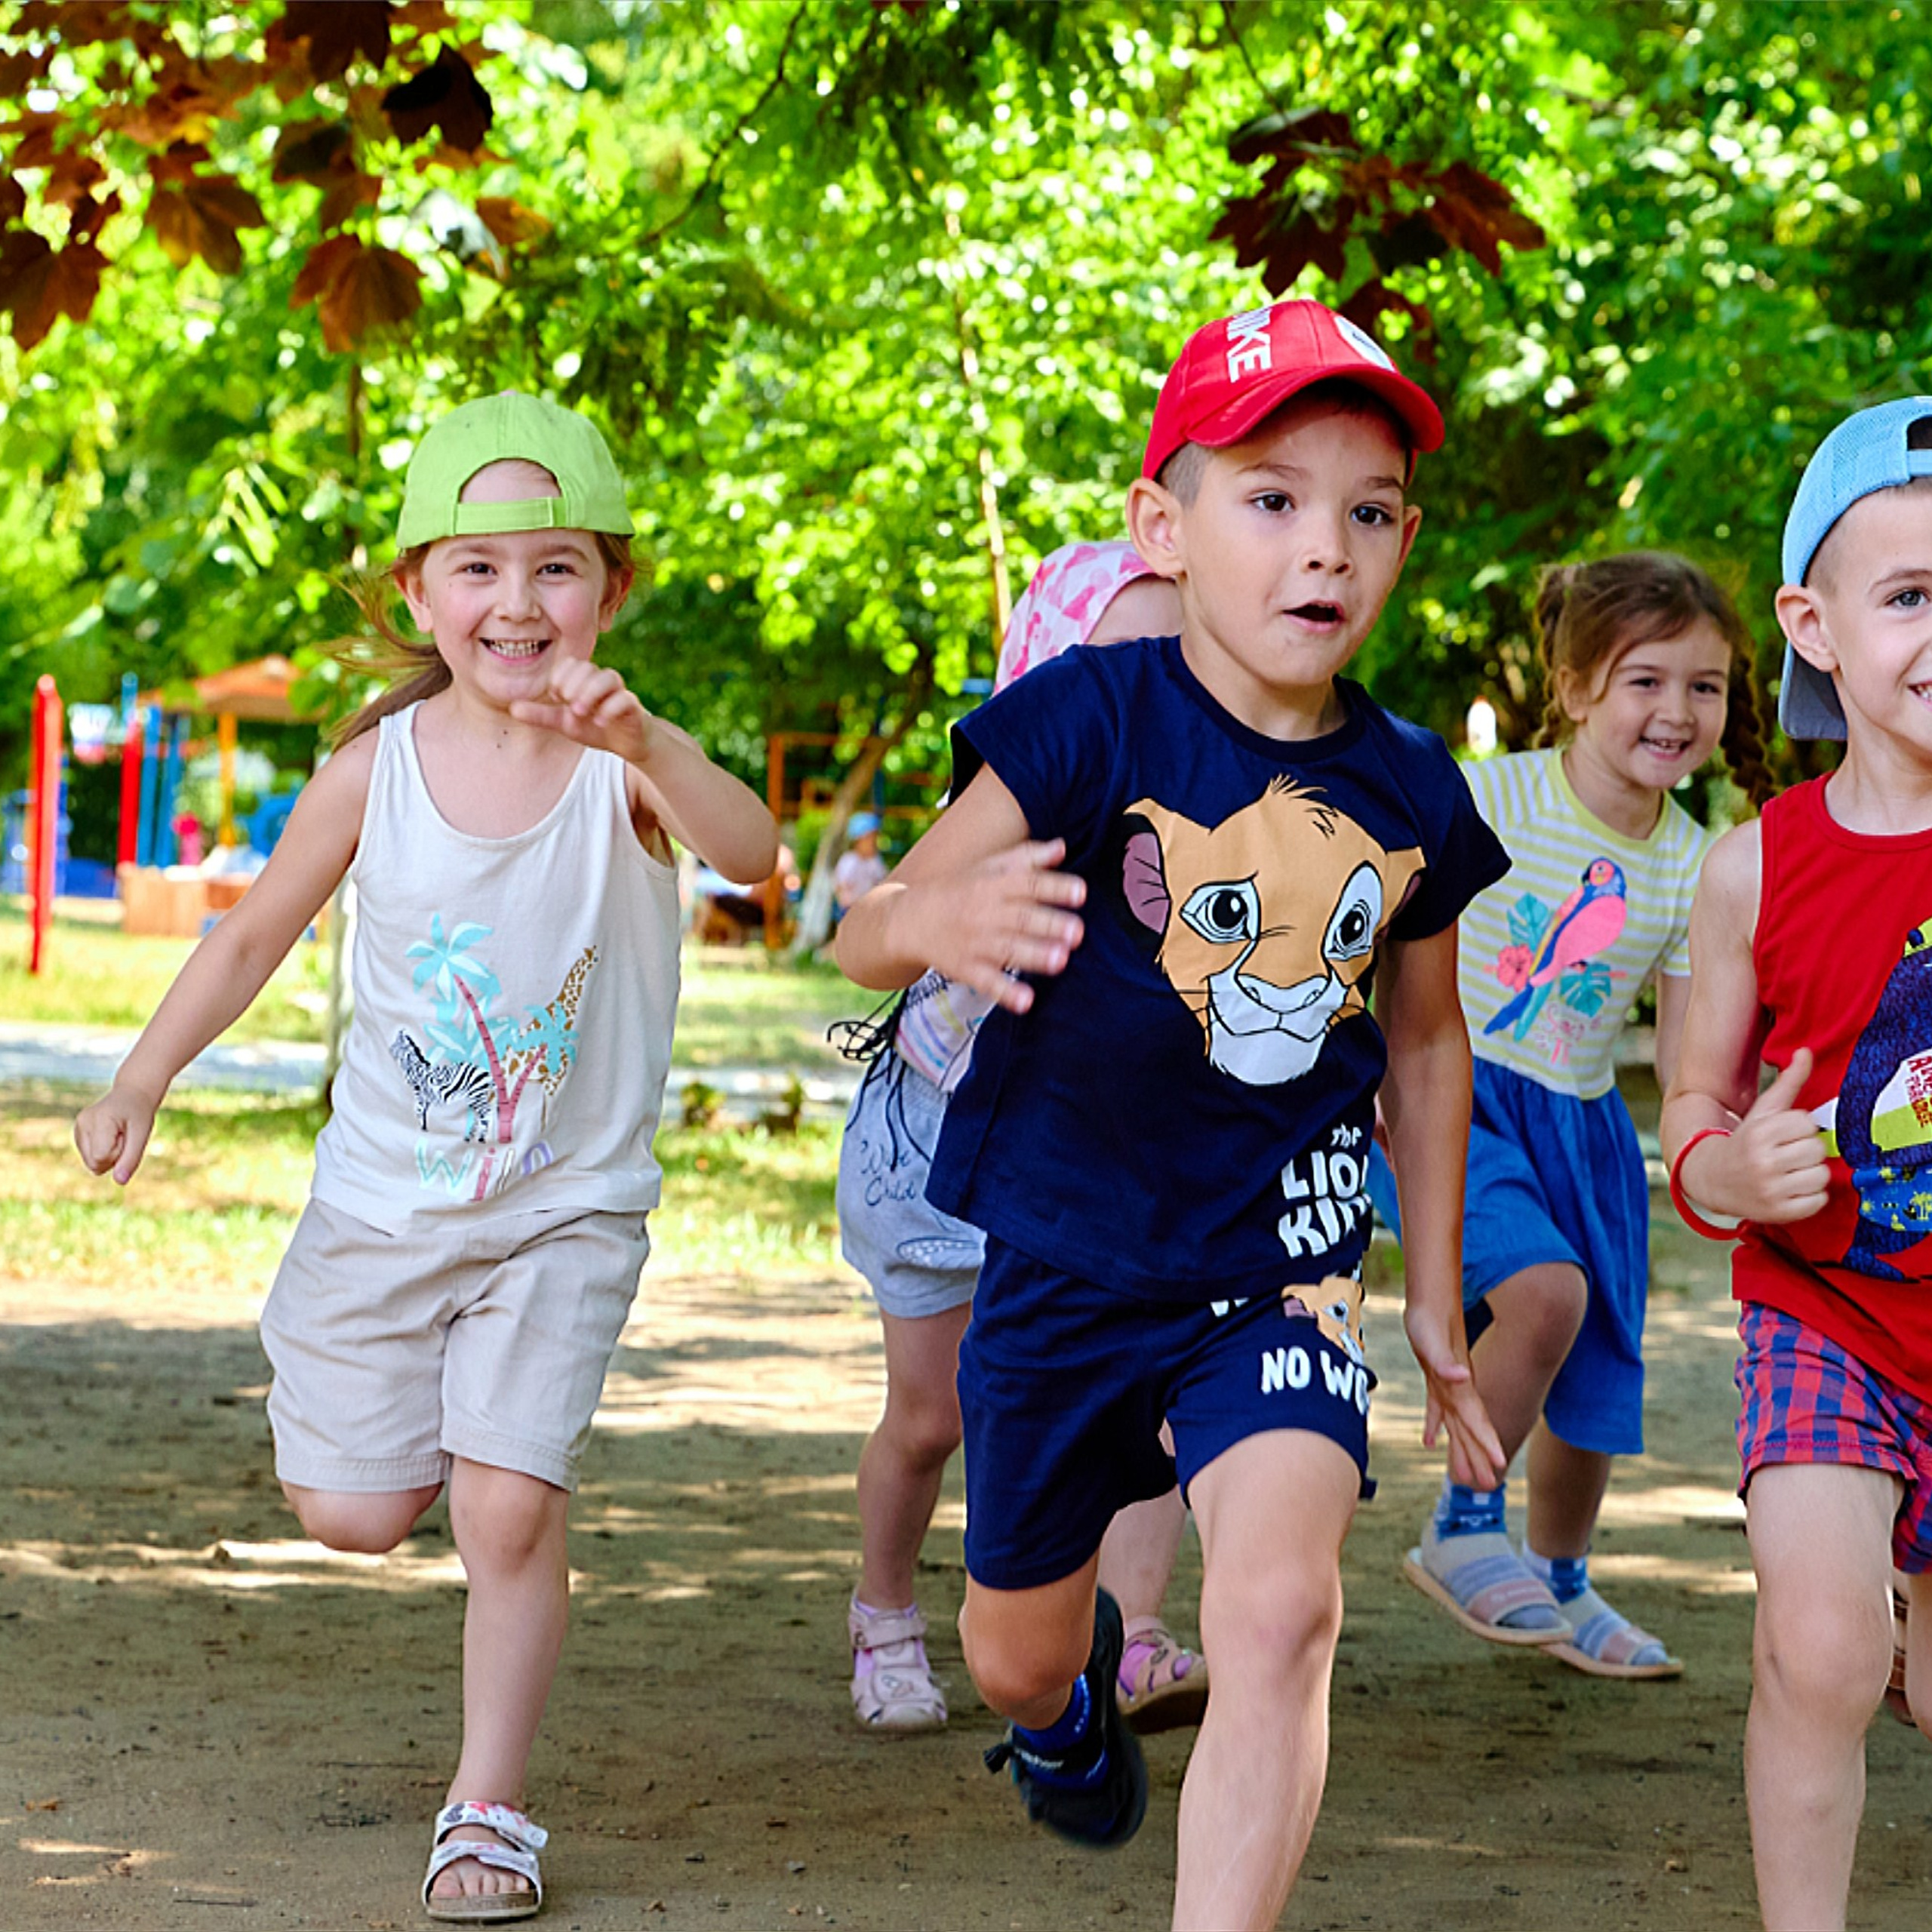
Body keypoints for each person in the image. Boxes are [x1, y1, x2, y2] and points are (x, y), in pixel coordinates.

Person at [837, 298, 1509, 1931]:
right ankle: (1057, 1720)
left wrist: (1427, 1295)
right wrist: (933, 921)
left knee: (1280, 1607)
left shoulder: (1410, 782)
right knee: (1013, 1647)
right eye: (1270, 498)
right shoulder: (1084, 716)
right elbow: (871, 922)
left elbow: (1424, 1047)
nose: (1319, 549)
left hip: (1275, 1263)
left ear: (1402, 543)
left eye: (1363, 512)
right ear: (1166, 523)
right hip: (1061, 1261)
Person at [73, 392, 777, 1924]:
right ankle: (434, 1431)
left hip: (563, 1212)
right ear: (417, 591)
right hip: (381, 1207)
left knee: (506, 1504)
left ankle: (488, 1807)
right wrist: (144, 1071)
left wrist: (646, 732)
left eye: (555, 568)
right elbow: (254, 927)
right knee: (350, 1509)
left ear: (610, 587)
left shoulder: (624, 763)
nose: (516, 602)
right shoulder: (371, 770)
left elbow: (755, 851)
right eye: (477, 568)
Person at [1377, 552, 1773, 1676]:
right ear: (1577, 683)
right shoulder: (1489, 794)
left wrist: (1738, 1134)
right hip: (1460, 1104)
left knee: (1598, 1371)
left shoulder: (1700, 864)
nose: (1677, 711)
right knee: (1545, 1299)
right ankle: (1461, 1525)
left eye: (1705, 686)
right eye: (1646, 680)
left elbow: (1704, 1044)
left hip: (1587, 1128)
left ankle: (1561, 1578)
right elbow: (1382, 939)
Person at [838, 542, 1208, 1738]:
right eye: (1125, 655)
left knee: (1141, 1410)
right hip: (944, 1158)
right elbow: (870, 931)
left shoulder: (1210, 835)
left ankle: (1133, 1630)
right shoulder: (1014, 823)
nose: (1152, 683)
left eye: (1178, 652)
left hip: (1104, 1178)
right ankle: (885, 1610)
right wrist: (942, 920)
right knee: (933, 1417)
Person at [1663, 398, 1932, 1932]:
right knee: (1819, 1645)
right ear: (1811, 623)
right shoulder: (1751, 860)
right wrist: (1729, 1166)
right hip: (1820, 1305)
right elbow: (1690, 1115)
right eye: (1907, 596)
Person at [833, 813, 888, 915]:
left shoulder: (875, 862)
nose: (874, 843)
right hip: (851, 910)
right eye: (870, 838)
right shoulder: (849, 861)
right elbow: (841, 888)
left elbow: (883, 882)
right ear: (859, 840)